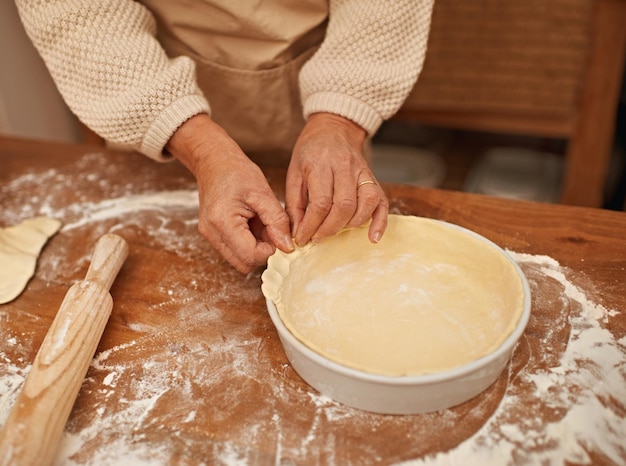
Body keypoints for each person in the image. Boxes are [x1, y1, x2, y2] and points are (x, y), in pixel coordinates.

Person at [16, 1, 434, 273]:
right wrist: (200, 148)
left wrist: (339, 120)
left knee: (340, 230)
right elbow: (76, 14)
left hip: (323, 68)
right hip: (143, 80)